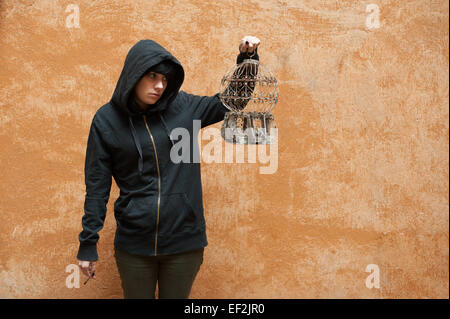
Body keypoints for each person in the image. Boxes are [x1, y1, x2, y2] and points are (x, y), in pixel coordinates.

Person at [76, 35, 260, 299]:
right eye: (152, 76)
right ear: (133, 74)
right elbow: (97, 186)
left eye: (164, 79)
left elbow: (231, 102)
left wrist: (248, 60)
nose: (159, 85)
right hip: (134, 246)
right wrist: (88, 243)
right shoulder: (106, 121)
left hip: (184, 243)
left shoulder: (183, 107)